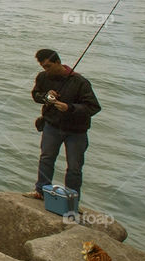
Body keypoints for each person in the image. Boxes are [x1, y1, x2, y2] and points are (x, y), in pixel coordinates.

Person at [24, 48, 101, 200]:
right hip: (52, 126)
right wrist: (46, 96)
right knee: (46, 159)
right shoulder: (43, 77)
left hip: (76, 132)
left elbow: (93, 107)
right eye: (43, 67)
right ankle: (40, 191)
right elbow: (36, 95)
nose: (46, 70)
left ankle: (71, 201)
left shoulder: (80, 82)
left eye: (48, 66)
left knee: (74, 168)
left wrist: (70, 108)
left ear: (58, 62)